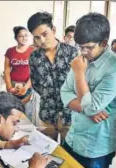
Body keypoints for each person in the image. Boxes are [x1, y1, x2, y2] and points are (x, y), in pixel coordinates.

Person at [61, 13, 116, 168]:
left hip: (96, 144)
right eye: (80, 46)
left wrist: (79, 74)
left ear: (104, 43)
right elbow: (65, 93)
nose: (83, 52)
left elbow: (90, 107)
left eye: (88, 47)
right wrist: (89, 110)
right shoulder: (81, 59)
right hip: (74, 136)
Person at [27, 12, 78, 141]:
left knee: (69, 154)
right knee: (49, 152)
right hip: (47, 113)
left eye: (45, 34)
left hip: (70, 113)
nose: (42, 41)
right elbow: (36, 83)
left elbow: (80, 82)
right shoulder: (34, 57)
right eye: (37, 37)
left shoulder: (72, 53)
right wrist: (48, 94)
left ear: (53, 30)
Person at [4, 26, 34, 119]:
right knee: (13, 112)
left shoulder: (32, 51)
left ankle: (27, 133)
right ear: (16, 38)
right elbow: (7, 70)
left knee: (27, 113)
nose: (24, 38)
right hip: (13, 86)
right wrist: (9, 87)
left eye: (26, 35)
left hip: (28, 86)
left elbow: (35, 72)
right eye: (21, 36)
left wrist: (26, 87)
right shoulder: (10, 51)